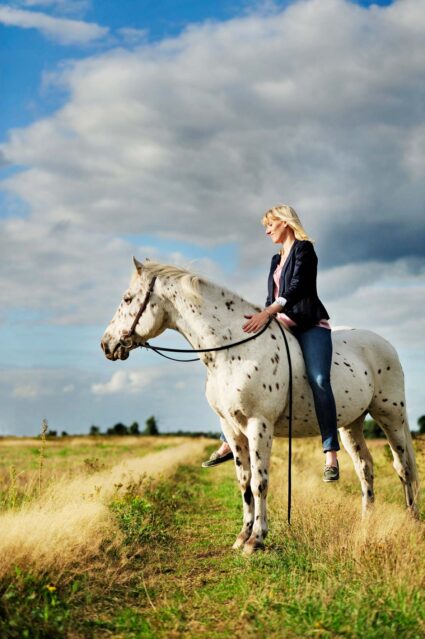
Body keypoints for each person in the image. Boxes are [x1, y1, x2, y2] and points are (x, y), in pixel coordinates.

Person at [202, 204, 340, 482]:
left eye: (270, 225)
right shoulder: (275, 260)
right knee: (249, 372)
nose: (266, 231)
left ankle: (331, 454)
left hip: (309, 324)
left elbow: (298, 287)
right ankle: (228, 439)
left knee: (320, 379)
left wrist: (269, 312)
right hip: (280, 324)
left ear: (285, 223)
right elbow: (271, 297)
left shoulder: (304, 249)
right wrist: (262, 317)